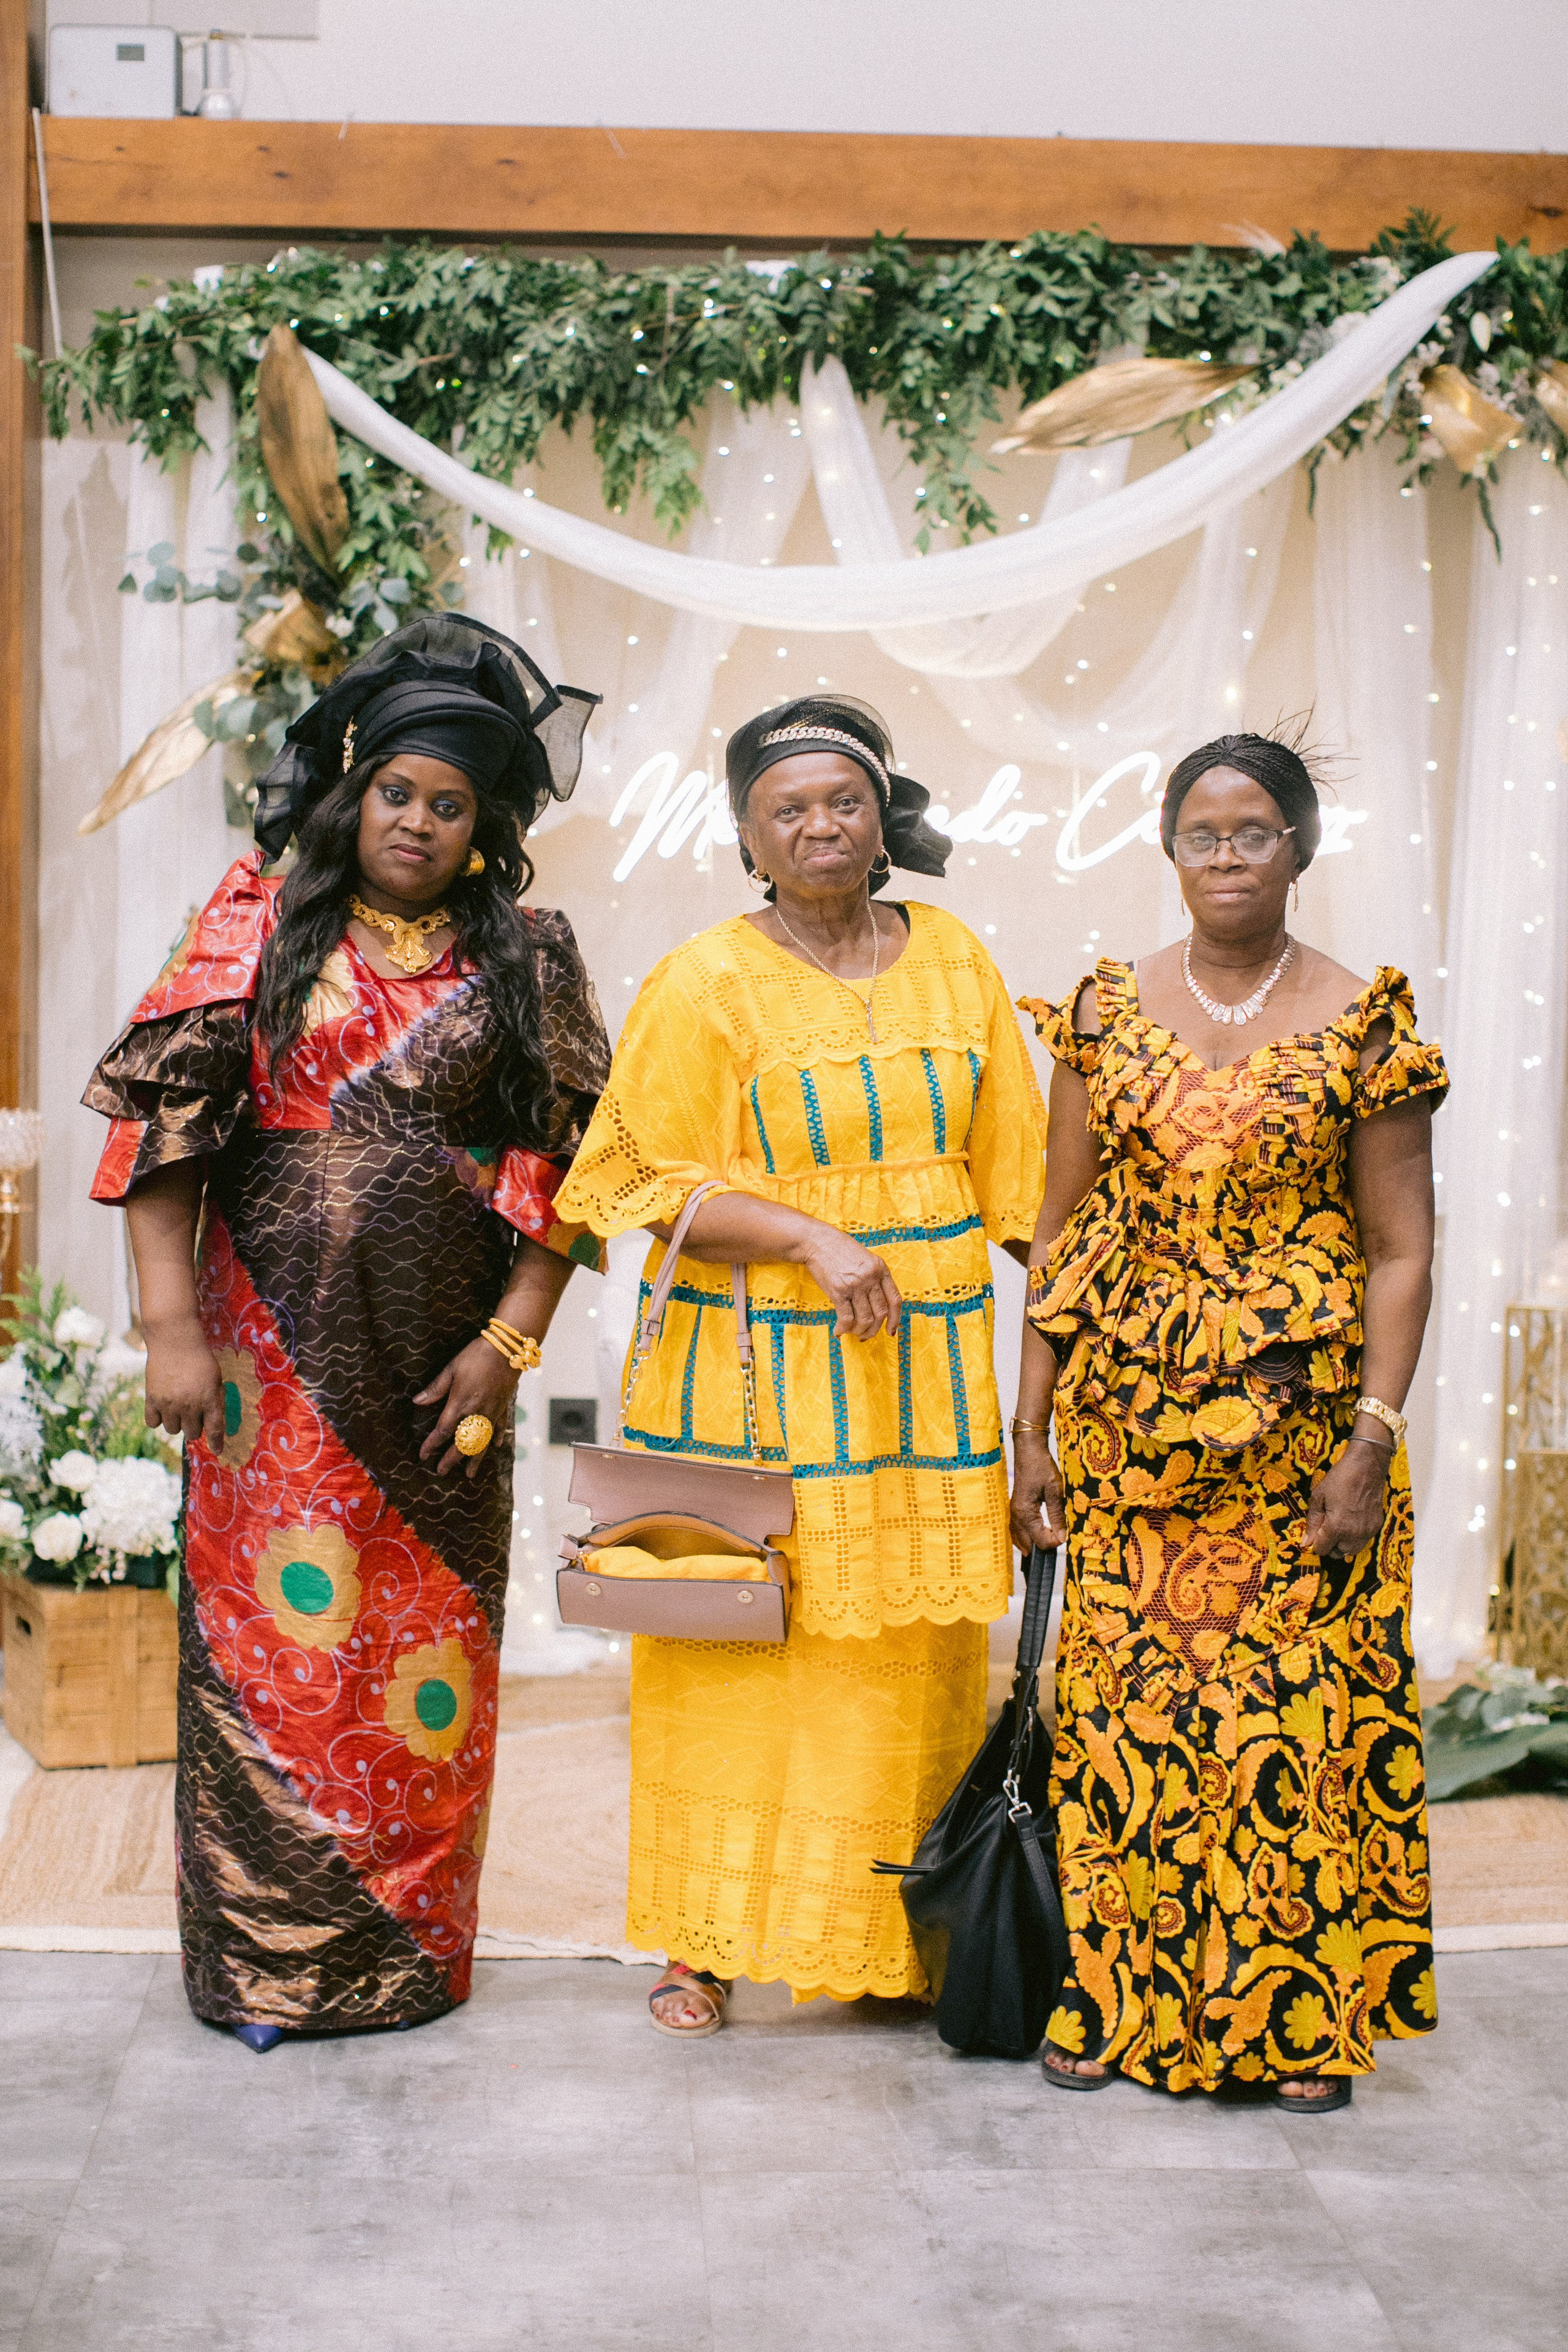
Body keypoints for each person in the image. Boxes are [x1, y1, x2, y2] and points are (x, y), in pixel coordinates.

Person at [83, 615, 611, 2050]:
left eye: (452, 806)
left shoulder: (529, 957)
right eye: (401, 793)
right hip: (264, 1366)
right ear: (355, 784)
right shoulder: (257, 915)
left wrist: (508, 1344)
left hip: (441, 1370)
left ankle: (404, 1957)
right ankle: (261, 1966)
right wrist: (169, 1330)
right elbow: (161, 1133)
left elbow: (571, 1178)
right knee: (273, 1649)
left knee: (417, 1655)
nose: (421, 824)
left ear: (484, 827)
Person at [554, 695, 1046, 2032]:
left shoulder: (952, 959)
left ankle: (900, 1932)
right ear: (747, 836)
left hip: (922, 1384)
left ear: (882, 817)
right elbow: (638, 1179)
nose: (821, 824)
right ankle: (700, 1944)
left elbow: (1022, 1188)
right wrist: (808, 1235)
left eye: (844, 800)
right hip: (756, 1385)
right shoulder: (706, 978)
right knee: (738, 1643)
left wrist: (1065, 1384)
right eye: (790, 809)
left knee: (902, 1665)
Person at [1011, 728, 1446, 2111]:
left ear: (1298, 848)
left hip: (1303, 1440)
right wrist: (1029, 1432)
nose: (1223, 854)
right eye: (1199, 832)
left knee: (1286, 1717)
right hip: (1126, 1432)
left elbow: (1399, 1250)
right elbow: (1059, 1226)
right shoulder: (1101, 1009)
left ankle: (1299, 2017)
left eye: (1251, 831)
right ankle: (1111, 1993)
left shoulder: (1359, 1018)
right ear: (1166, 848)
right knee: (1123, 1716)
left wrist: (1371, 1437)